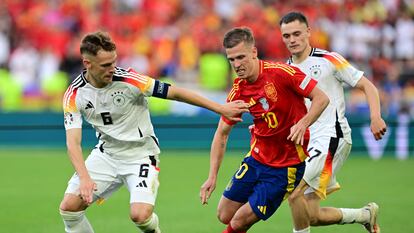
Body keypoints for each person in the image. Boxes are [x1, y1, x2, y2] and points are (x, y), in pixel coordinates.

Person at [58, 31, 250, 233]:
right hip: (107, 155)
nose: (112, 69)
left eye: (114, 62)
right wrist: (85, 177)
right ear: (87, 64)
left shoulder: (130, 80)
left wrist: (220, 107)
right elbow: (73, 143)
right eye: (105, 65)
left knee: (140, 216)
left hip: (141, 155)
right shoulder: (74, 94)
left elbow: (175, 92)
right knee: (69, 209)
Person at [199, 27, 330, 233]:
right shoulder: (238, 90)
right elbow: (222, 133)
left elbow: (322, 98)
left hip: (285, 167)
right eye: (231, 59)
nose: (236, 64)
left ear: (254, 52)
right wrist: (212, 176)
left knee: (239, 221)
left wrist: (303, 123)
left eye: (241, 57)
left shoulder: (282, 74)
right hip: (257, 159)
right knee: (224, 215)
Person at [279, 12, 387, 233]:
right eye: (287, 35)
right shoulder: (284, 71)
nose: (292, 40)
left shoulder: (329, 59)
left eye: (297, 33)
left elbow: (368, 86)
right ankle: (364, 215)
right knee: (311, 215)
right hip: (306, 144)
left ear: (309, 32)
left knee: (294, 192)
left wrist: (375, 117)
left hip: (332, 136)